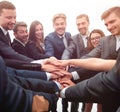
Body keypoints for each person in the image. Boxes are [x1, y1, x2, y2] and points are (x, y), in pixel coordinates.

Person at [44, 13, 74, 112]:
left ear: (66, 24)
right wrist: (52, 58)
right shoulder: (49, 38)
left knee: (69, 96)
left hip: (69, 69)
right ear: (53, 25)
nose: (60, 26)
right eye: (57, 24)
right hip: (57, 70)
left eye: (62, 24)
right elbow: (49, 52)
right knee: (55, 95)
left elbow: (71, 50)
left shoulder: (69, 35)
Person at [84, 29, 105, 112]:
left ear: (103, 38)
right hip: (90, 82)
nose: (95, 40)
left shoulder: (107, 50)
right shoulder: (87, 51)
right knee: (87, 107)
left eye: (97, 38)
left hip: (103, 84)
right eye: (92, 38)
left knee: (100, 108)